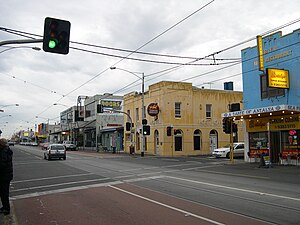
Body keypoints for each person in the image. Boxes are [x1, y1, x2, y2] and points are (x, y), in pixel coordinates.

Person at [0, 138, 13, 215]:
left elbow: (2, 164)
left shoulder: (4, 152)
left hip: (4, 176)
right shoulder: (6, 150)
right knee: (3, 193)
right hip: (6, 175)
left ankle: (6, 208)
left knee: (4, 193)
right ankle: (5, 207)